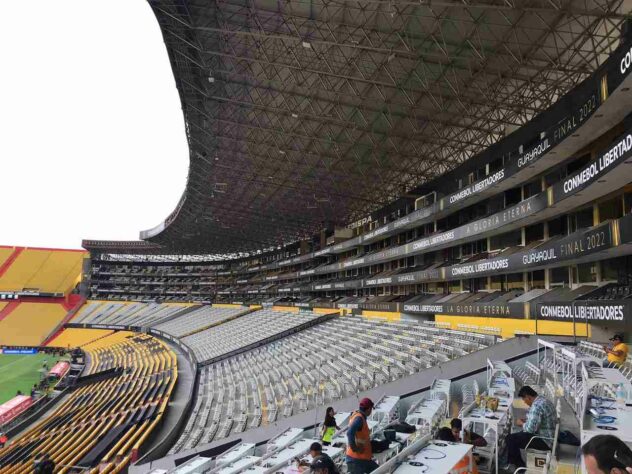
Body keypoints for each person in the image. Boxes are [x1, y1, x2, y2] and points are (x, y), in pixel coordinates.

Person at [503, 386, 556, 470]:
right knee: (513, 437)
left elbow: (529, 430)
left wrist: (521, 423)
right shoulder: (543, 400)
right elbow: (537, 420)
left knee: (510, 439)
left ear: (528, 397)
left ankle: (519, 466)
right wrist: (527, 420)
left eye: (524, 400)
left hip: (544, 441)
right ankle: (511, 462)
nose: (525, 403)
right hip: (549, 437)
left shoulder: (536, 406)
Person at [346, 398, 379, 473]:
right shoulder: (359, 419)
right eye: (371, 409)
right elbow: (349, 433)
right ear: (368, 409)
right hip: (357, 460)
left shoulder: (356, 415)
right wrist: (355, 448)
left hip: (362, 459)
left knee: (379, 470)